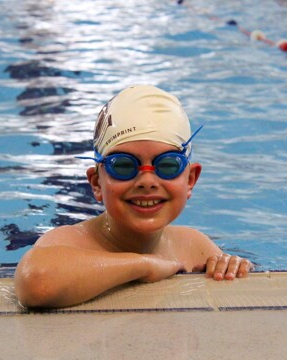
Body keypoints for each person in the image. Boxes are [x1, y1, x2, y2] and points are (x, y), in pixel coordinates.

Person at [14, 85, 252, 308]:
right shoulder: (69, 242)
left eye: (168, 165)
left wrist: (232, 265)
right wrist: (144, 265)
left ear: (190, 180)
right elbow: (38, 282)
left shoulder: (194, 245)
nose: (147, 181)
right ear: (97, 183)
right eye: (124, 166)